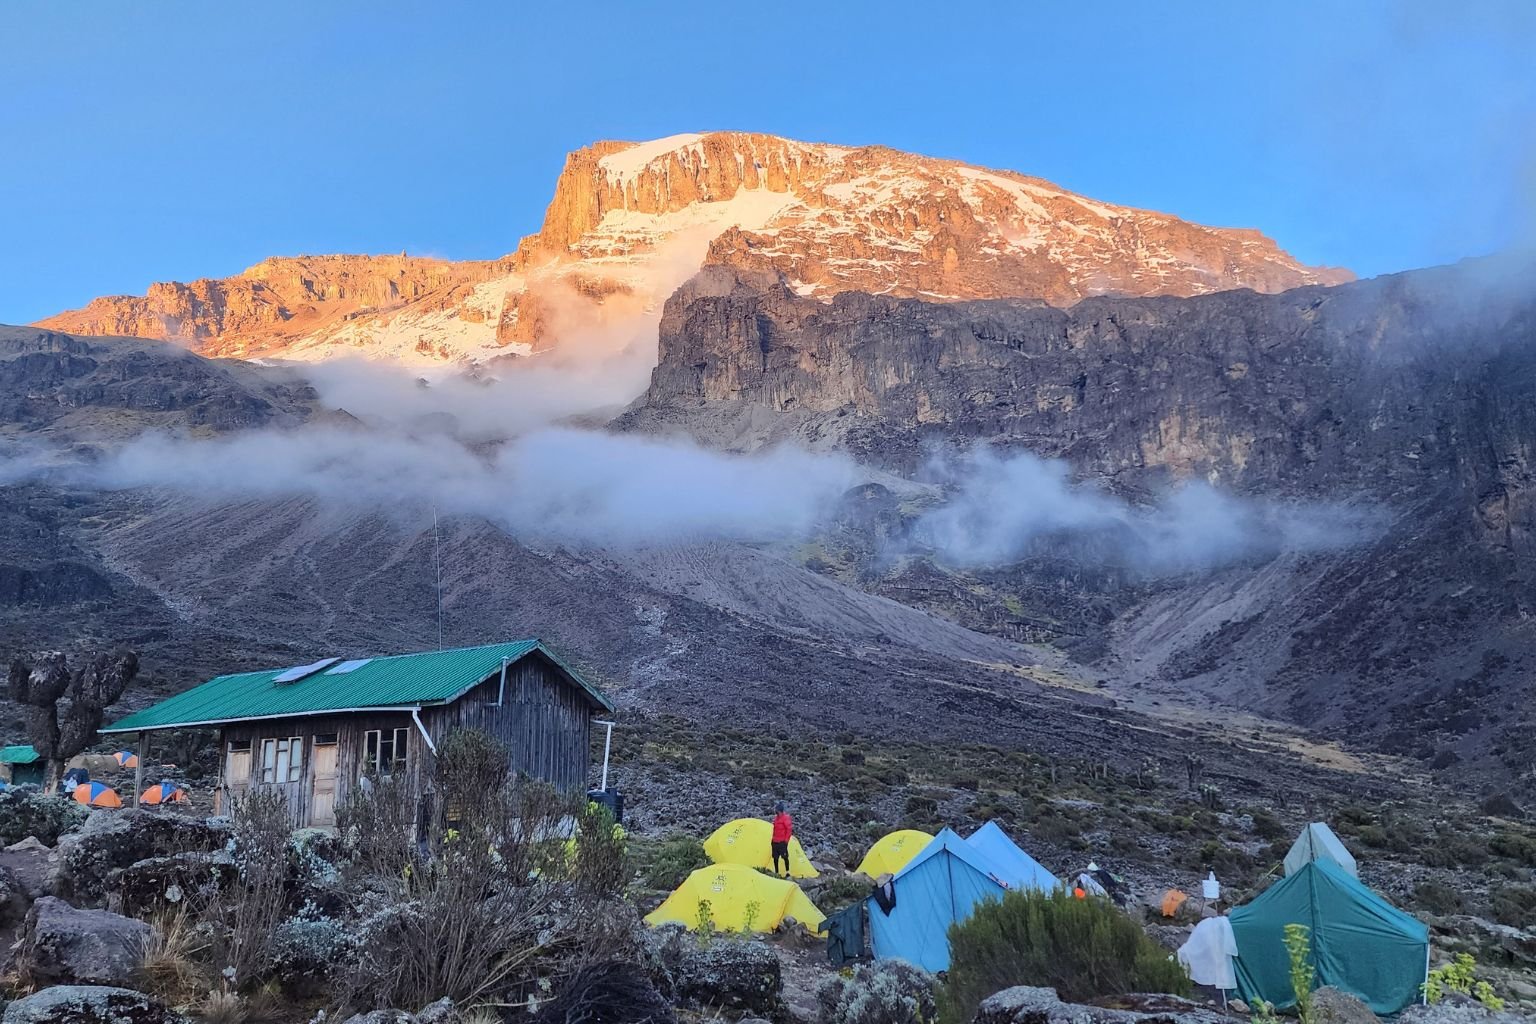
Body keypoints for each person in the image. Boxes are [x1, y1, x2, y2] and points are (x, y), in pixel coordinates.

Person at [771, 801, 793, 877]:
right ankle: (776, 872)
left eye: (777, 811)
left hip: (782, 841)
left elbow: (789, 829)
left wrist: (786, 841)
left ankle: (787, 871)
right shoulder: (776, 818)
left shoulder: (785, 818)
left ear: (780, 811)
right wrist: (773, 839)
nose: (776, 812)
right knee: (775, 857)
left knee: (785, 857)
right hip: (775, 841)